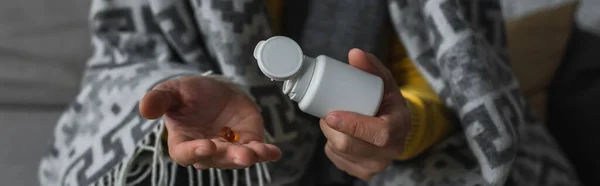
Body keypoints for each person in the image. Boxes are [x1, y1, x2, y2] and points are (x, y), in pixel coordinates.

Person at [39, 0, 580, 186]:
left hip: (396, 159)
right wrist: (186, 96)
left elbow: (454, 73)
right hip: (225, 153)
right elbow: (125, 59)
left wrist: (405, 126)